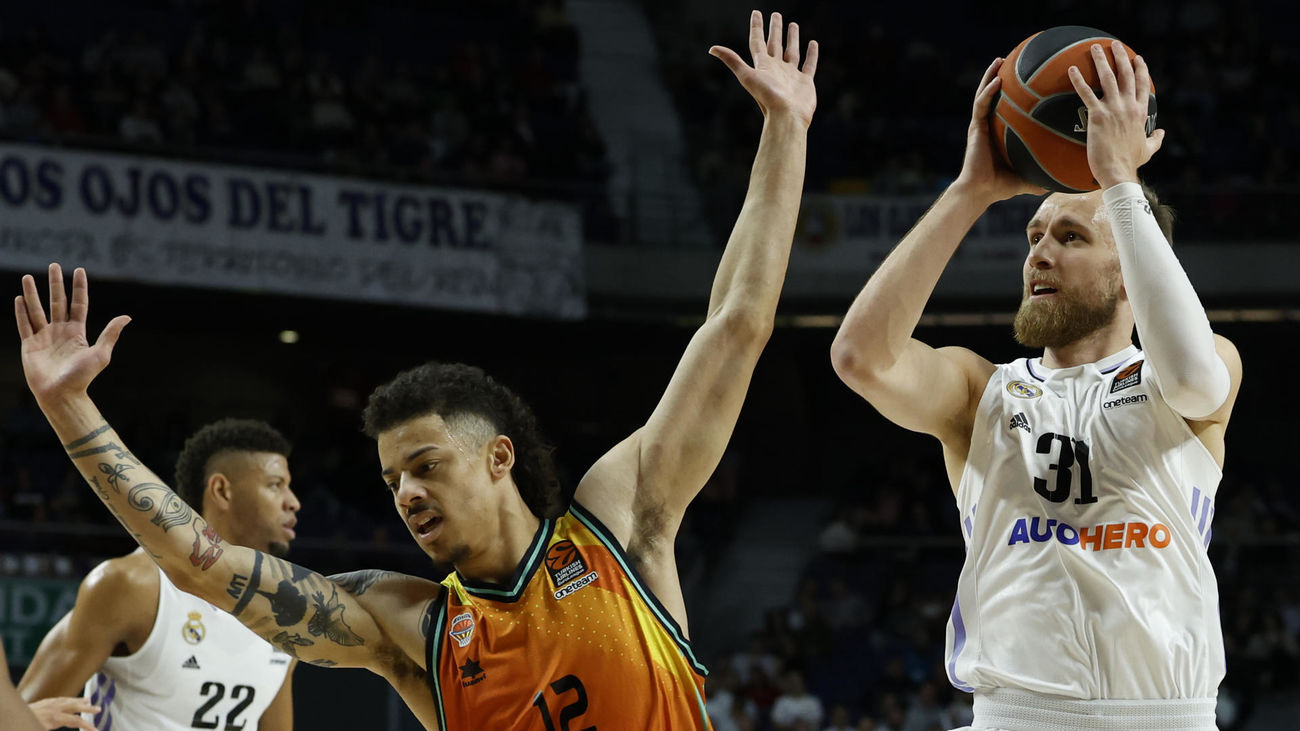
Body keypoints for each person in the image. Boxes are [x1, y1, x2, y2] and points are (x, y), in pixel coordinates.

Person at [11, 10, 818, 729]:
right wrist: (71, 409)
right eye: (394, 478)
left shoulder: (614, 526)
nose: (406, 494)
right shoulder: (408, 625)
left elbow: (737, 325)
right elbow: (206, 563)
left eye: (425, 465)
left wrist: (785, 129)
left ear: (498, 455)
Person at [830, 42, 1241, 730]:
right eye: (1034, 234)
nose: (1040, 252)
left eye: (1073, 236)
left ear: (1131, 270)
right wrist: (969, 192)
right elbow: (860, 358)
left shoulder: (1195, 371)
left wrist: (1118, 180)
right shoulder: (978, 389)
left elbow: (1196, 380)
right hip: (1013, 716)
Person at [18, 419, 301, 731]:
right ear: (222, 490)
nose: (293, 502)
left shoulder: (284, 611)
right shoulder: (132, 585)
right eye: (275, 485)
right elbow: (19, 718)